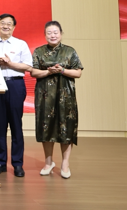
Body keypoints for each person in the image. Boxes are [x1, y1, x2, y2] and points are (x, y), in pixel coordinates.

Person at [30, 21, 83, 179]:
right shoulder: (39, 51)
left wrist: (63, 70)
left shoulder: (69, 51)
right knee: (46, 127)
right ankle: (48, 162)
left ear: (61, 33)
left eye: (55, 32)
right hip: (45, 96)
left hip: (65, 96)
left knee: (66, 127)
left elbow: (78, 73)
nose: (52, 35)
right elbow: (33, 72)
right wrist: (48, 72)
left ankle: (65, 163)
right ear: (45, 35)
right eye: (49, 33)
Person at [0, 13, 32, 178]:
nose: (5, 26)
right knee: (0, 124)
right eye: (2, 23)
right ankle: (1, 161)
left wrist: (9, 63)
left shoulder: (21, 44)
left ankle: (17, 163)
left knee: (16, 124)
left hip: (16, 84)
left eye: (9, 24)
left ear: (14, 26)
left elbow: (27, 66)